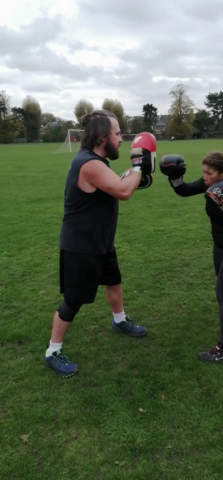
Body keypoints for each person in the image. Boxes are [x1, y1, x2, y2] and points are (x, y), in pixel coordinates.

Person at [45, 110, 156, 377]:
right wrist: (138, 167)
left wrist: (133, 173)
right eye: (117, 134)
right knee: (73, 300)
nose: (121, 139)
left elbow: (116, 184)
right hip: (80, 246)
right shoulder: (89, 163)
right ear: (102, 136)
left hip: (100, 241)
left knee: (113, 280)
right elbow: (122, 191)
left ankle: (119, 321)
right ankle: (53, 350)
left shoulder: (97, 163)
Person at [160, 152, 223, 362]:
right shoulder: (211, 183)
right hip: (220, 245)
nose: (204, 177)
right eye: (203, 172)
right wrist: (174, 176)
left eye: (208, 173)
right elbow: (184, 191)